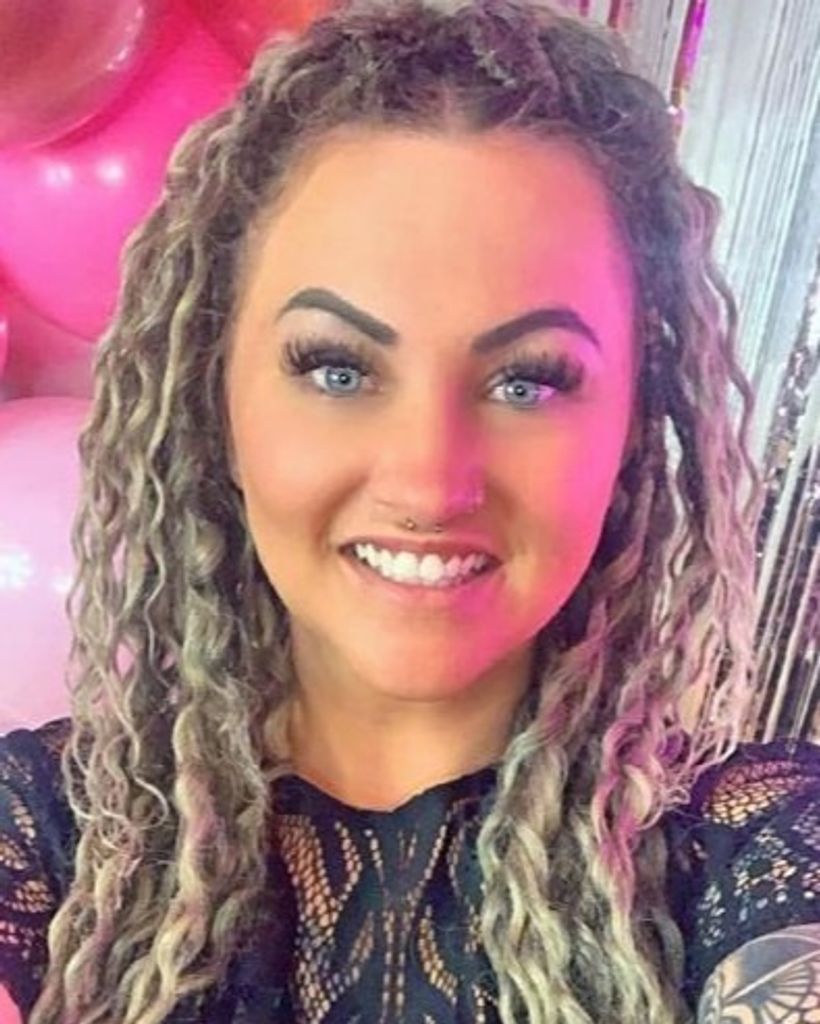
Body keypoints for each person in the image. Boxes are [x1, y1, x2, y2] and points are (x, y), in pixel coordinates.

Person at [1, 1, 819, 1022]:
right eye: (337, 369)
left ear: (630, 428)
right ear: (217, 404)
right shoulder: (44, 835)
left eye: (527, 380)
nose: (430, 483)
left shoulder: (765, 842)